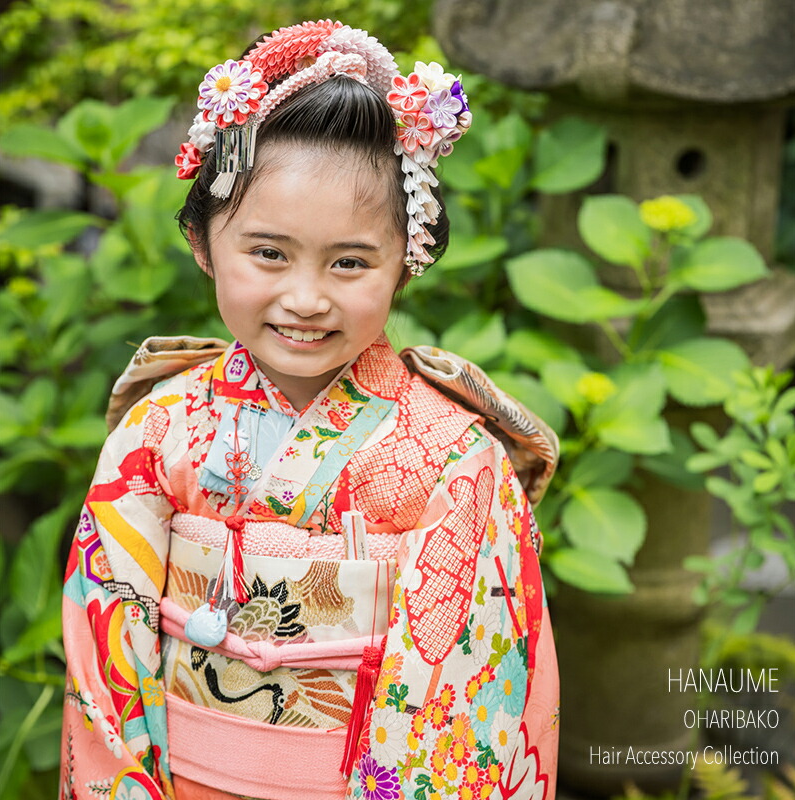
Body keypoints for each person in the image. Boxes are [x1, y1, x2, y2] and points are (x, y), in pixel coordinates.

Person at [60, 19, 560, 800]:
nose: (305, 298)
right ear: (203, 242)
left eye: (350, 262)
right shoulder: (158, 431)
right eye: (268, 253)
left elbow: (471, 685)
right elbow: (106, 651)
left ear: (407, 263)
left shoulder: (456, 457)